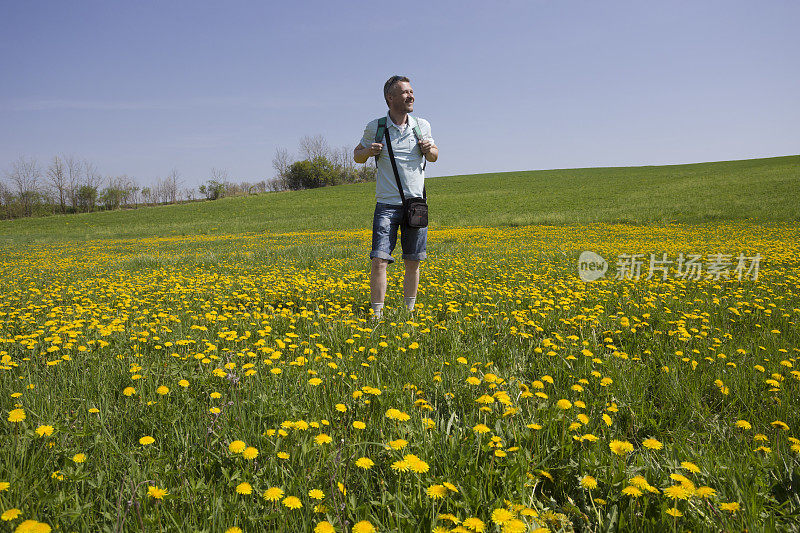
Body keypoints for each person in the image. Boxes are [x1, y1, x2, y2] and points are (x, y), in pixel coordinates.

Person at [353, 75, 438, 320]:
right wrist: (369, 151)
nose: (411, 96)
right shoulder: (376, 127)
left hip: (416, 204)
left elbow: (434, 155)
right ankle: (377, 316)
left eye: (411, 91)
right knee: (379, 259)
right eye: (404, 92)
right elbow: (357, 155)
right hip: (387, 205)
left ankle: (408, 312)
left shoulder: (421, 125)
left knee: (413, 260)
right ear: (390, 98)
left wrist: (428, 150)